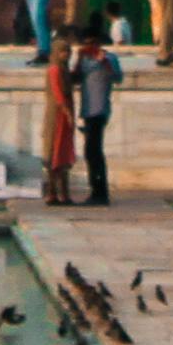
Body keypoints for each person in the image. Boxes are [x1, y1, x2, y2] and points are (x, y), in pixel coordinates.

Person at [62, 15, 120, 208]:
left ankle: (100, 192)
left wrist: (103, 61)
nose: (88, 46)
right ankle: (96, 189)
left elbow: (117, 78)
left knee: (94, 152)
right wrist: (77, 60)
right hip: (87, 110)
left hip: (100, 109)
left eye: (91, 43)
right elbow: (76, 79)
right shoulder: (84, 60)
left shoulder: (109, 58)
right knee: (90, 152)